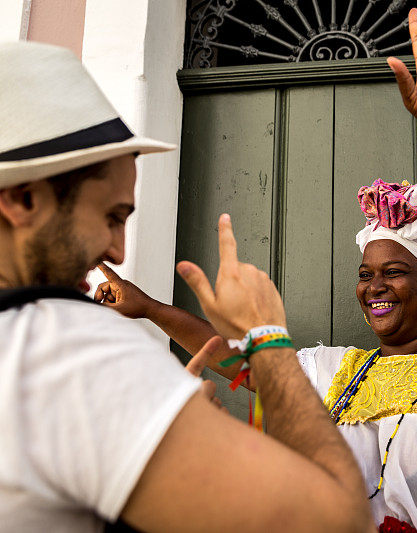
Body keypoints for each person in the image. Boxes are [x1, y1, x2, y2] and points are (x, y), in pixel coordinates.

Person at [95, 10, 417, 533]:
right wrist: (148, 309)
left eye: (393, 271)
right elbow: (240, 362)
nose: (373, 287)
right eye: (366, 274)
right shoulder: (337, 375)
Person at [0, 41, 373, 532]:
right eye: (112, 217)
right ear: (24, 200)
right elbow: (337, 522)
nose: (117, 251)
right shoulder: (61, 348)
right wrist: (268, 336)